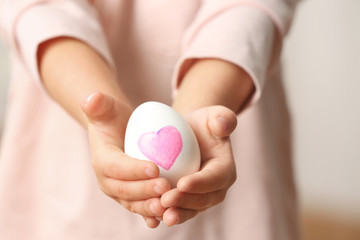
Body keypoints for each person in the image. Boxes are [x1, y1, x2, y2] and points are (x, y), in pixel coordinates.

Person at [0, 0, 300, 239]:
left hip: (225, 94)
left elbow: (248, 8)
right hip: (68, 97)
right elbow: (44, 7)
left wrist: (198, 110)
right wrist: (99, 109)